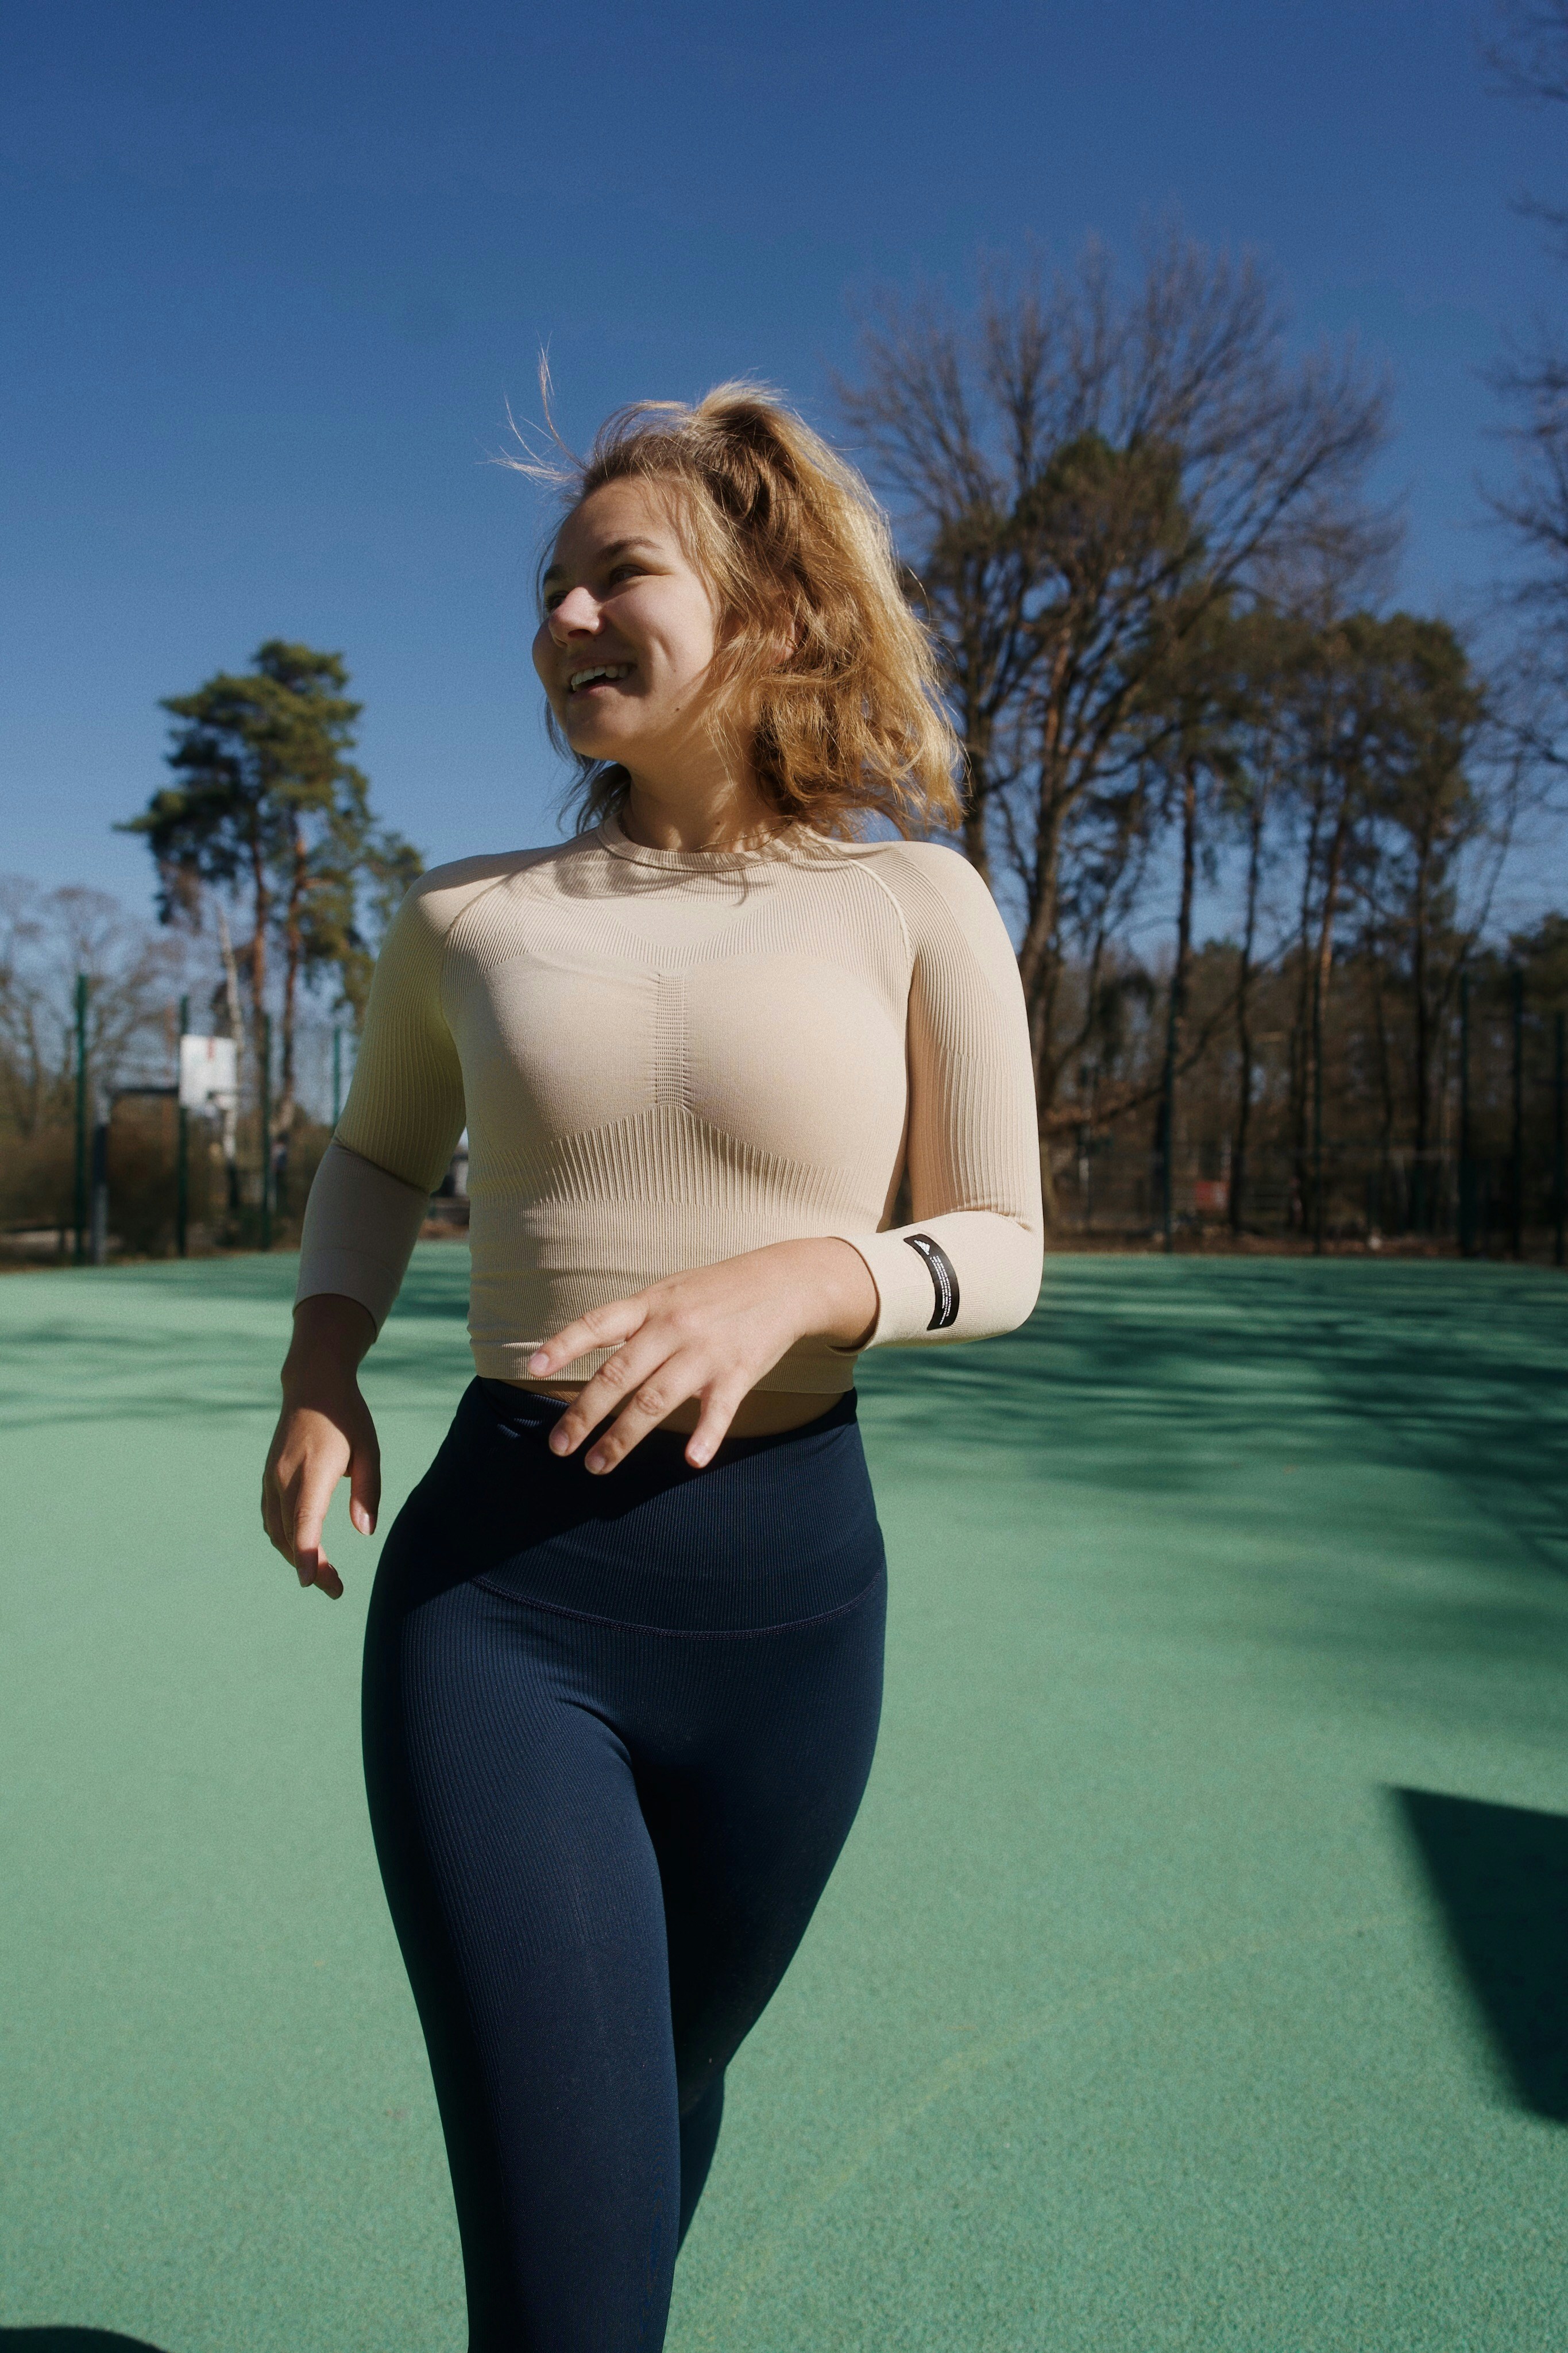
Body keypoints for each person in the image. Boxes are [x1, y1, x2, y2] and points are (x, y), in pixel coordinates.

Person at [261, 384, 1044, 2352]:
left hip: (797, 1608)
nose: (567, 620)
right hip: (507, 1597)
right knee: (567, 2265)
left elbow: (1002, 1246)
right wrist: (320, 1361)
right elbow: (371, 1158)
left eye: (621, 574)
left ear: (772, 610)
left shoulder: (912, 901)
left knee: (658, 2098)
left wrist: (803, 1279)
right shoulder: (468, 917)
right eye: (550, 589)